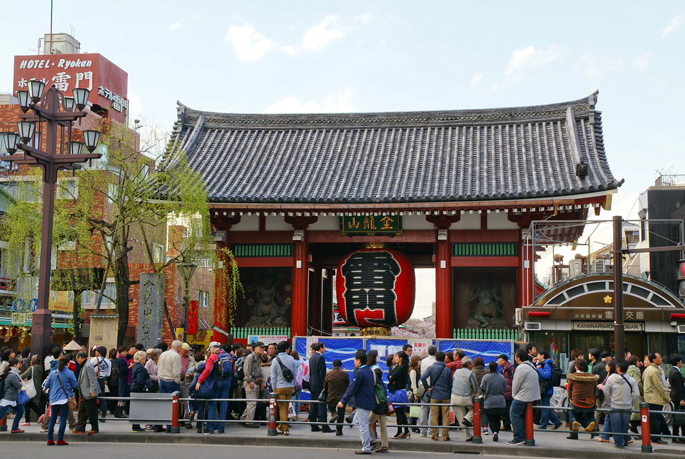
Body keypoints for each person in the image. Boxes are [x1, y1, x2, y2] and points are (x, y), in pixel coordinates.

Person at [339, 350, 375, 455]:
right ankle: (368, 442)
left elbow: (352, 388)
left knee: (362, 425)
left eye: (355, 360)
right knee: (356, 422)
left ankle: (367, 447)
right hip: (367, 400)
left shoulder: (360, 372)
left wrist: (343, 401)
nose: (354, 362)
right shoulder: (368, 370)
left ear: (359, 361)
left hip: (362, 402)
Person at [602, 360, 640, 448]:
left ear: (618, 368)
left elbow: (606, 391)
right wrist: (631, 403)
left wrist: (610, 400)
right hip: (627, 406)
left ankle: (619, 443)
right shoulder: (631, 379)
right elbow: (637, 394)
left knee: (616, 427)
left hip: (615, 405)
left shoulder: (611, 378)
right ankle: (621, 442)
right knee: (624, 426)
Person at [508, 348, 541, 446]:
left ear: (518, 357)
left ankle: (518, 437)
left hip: (523, 395)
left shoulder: (521, 367)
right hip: (532, 395)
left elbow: (516, 384)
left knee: (513, 414)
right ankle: (524, 436)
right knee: (521, 416)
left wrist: (514, 395)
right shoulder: (531, 365)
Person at [43, 356, 79, 445]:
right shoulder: (70, 373)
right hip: (64, 399)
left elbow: (46, 385)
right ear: (68, 363)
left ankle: (49, 439)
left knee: (52, 419)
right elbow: (75, 385)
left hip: (53, 399)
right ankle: (60, 439)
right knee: (63, 419)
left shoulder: (53, 373)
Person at [422, 351, 453, 442]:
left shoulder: (431, 368)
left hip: (434, 394)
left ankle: (435, 435)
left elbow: (423, 377)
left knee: (434, 415)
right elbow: (450, 383)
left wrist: (427, 387)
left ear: (435, 358)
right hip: (445, 395)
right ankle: (445, 435)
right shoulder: (447, 370)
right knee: (445, 416)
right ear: (444, 359)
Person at [566, 358, 598, 440]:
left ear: (576, 367)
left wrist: (571, 398)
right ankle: (592, 423)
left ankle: (573, 423)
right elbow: (594, 391)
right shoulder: (592, 377)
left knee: (571, 409)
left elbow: (569, 391)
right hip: (589, 402)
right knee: (589, 413)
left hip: (577, 402)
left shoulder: (573, 377)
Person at [270, 340, 297, 435]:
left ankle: (285, 429)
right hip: (289, 387)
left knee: (282, 408)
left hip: (279, 387)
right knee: (285, 407)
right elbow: (294, 374)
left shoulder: (275, 360)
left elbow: (273, 376)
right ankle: (281, 427)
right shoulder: (291, 359)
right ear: (286, 349)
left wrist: (273, 388)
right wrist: (293, 385)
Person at [644, 352, 670, 444]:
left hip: (650, 397)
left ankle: (664, 433)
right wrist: (667, 397)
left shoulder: (648, 369)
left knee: (656, 417)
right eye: (659, 358)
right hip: (655, 398)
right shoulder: (654, 371)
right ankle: (655, 437)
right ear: (654, 360)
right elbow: (660, 386)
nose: (661, 359)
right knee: (655, 419)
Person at [72, 351, 101, 435]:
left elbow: (92, 379)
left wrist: (92, 391)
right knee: (82, 411)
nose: (77, 360)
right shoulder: (84, 365)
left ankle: (95, 428)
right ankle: (80, 428)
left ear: (80, 358)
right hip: (84, 392)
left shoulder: (88, 365)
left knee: (91, 411)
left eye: (77, 358)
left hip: (89, 392)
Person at [157, 340, 182, 433]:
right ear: (178, 347)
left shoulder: (163, 354)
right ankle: (169, 426)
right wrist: (178, 381)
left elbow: (157, 367)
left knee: (162, 404)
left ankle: (158, 425)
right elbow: (176, 372)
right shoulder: (176, 356)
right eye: (181, 347)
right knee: (172, 405)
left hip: (162, 380)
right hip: (171, 381)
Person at [451, 355, 478, 441]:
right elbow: (475, 388)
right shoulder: (471, 374)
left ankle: (468, 436)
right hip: (465, 399)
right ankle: (468, 418)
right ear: (469, 364)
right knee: (476, 408)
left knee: (460, 417)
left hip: (454, 398)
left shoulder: (456, 372)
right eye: (472, 363)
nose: (473, 364)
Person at [309, 342, 333, 432]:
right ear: (320, 348)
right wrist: (325, 385)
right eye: (324, 347)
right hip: (319, 385)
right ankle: (324, 426)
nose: (325, 349)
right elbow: (322, 374)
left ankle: (313, 425)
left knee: (313, 406)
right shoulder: (320, 358)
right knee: (322, 406)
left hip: (312, 384)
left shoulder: (312, 357)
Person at [481, 360, 507, 442]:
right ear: (496, 368)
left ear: (489, 368)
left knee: (491, 419)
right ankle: (497, 432)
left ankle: (494, 432)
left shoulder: (485, 377)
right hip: (500, 401)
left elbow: (482, 388)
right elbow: (505, 388)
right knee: (498, 418)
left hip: (489, 401)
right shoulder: (501, 377)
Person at [536, 350, 562, 430]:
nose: (537, 357)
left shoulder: (547, 364)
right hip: (544, 389)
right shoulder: (544, 364)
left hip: (546, 389)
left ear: (542, 356)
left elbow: (547, 375)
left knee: (544, 408)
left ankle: (543, 425)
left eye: (538, 355)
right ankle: (557, 421)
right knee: (544, 407)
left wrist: (539, 369)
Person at [240, 341, 264, 428]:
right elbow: (246, 370)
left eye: (263, 348)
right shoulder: (250, 357)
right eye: (260, 347)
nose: (262, 349)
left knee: (252, 402)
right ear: (255, 348)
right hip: (251, 381)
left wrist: (260, 382)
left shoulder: (257, 357)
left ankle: (244, 418)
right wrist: (250, 381)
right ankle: (249, 421)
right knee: (252, 402)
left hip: (255, 381)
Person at [324, 358, 349, 436]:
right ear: (341, 366)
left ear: (333, 366)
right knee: (341, 414)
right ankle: (339, 431)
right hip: (341, 398)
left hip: (331, 397)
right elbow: (348, 385)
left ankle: (334, 414)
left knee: (331, 408)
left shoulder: (328, 374)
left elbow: (325, 386)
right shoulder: (345, 373)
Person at [0, 358, 26, 433]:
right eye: (19, 363)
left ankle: (14, 428)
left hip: (12, 398)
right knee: (1, 414)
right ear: (15, 365)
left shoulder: (12, 374)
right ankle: (14, 428)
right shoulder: (12, 375)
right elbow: (18, 385)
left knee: (20, 410)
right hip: (8, 398)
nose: (20, 365)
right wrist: (22, 382)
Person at [129, 350, 153, 432]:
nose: (145, 359)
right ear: (141, 359)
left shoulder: (135, 366)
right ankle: (136, 426)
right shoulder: (140, 367)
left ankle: (136, 425)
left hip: (134, 387)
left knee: (136, 407)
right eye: (144, 357)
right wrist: (145, 386)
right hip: (138, 389)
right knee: (138, 408)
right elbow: (140, 380)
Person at [388, 351, 410, 439]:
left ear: (401, 358)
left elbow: (392, 377)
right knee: (401, 412)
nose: (395, 358)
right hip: (397, 391)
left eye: (396, 357)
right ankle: (406, 430)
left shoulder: (402, 367)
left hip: (399, 392)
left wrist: (391, 377)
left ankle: (400, 431)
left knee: (399, 412)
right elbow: (389, 375)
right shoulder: (398, 366)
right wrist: (391, 376)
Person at [419, 345, 438, 437]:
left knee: (423, 409)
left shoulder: (423, 361)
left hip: (424, 387)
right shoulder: (436, 362)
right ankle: (430, 432)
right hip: (434, 387)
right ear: (435, 353)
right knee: (432, 410)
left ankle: (423, 431)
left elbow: (422, 374)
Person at [20, 354, 44, 426]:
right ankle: (40, 414)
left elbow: (23, 375)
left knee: (27, 402)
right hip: (37, 388)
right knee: (30, 403)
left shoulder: (32, 368)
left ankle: (28, 420)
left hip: (31, 387)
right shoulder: (40, 368)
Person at [89, 346, 110, 421]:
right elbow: (108, 374)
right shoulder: (108, 361)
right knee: (102, 398)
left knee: (92, 398)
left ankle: (92, 415)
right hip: (102, 380)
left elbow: (89, 369)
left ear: (98, 352)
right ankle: (103, 416)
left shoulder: (94, 359)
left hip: (94, 380)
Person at [179, 343, 196, 428]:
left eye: (188, 351)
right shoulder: (176, 357)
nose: (187, 352)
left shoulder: (191, 359)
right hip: (176, 381)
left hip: (187, 382)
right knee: (176, 402)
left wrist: (192, 375)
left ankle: (186, 421)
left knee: (187, 402)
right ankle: (178, 420)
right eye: (185, 350)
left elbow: (195, 371)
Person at [669, 354, 685, 443]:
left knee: (676, 417)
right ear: (678, 362)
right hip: (678, 398)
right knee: (681, 417)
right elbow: (679, 387)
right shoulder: (676, 372)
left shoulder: (672, 371)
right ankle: (681, 436)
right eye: (681, 361)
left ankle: (675, 436)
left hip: (674, 396)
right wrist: (682, 399)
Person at [626, 355, 643, 436]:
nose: (639, 363)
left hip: (629, 392)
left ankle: (634, 431)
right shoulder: (635, 370)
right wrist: (642, 392)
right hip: (635, 393)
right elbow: (638, 383)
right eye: (638, 361)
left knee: (634, 413)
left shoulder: (628, 369)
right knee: (638, 414)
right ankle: (632, 429)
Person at [497, 354, 514, 431]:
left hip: (510, 393)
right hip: (504, 393)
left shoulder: (510, 367)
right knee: (505, 410)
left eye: (498, 359)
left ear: (503, 360)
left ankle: (512, 426)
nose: (497, 361)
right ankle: (506, 425)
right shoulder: (503, 369)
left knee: (510, 410)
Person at [115, 345, 130, 419]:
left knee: (122, 395)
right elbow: (122, 370)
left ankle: (118, 411)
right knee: (122, 395)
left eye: (126, 351)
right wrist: (129, 367)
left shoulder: (122, 358)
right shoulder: (121, 359)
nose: (125, 353)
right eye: (124, 352)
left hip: (123, 378)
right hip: (123, 378)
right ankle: (119, 412)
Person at [408, 355, 421, 433]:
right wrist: (416, 393)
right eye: (419, 360)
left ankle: (413, 424)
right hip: (414, 393)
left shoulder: (417, 370)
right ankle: (413, 425)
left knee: (416, 408)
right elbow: (413, 383)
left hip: (416, 392)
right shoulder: (413, 371)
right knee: (415, 409)